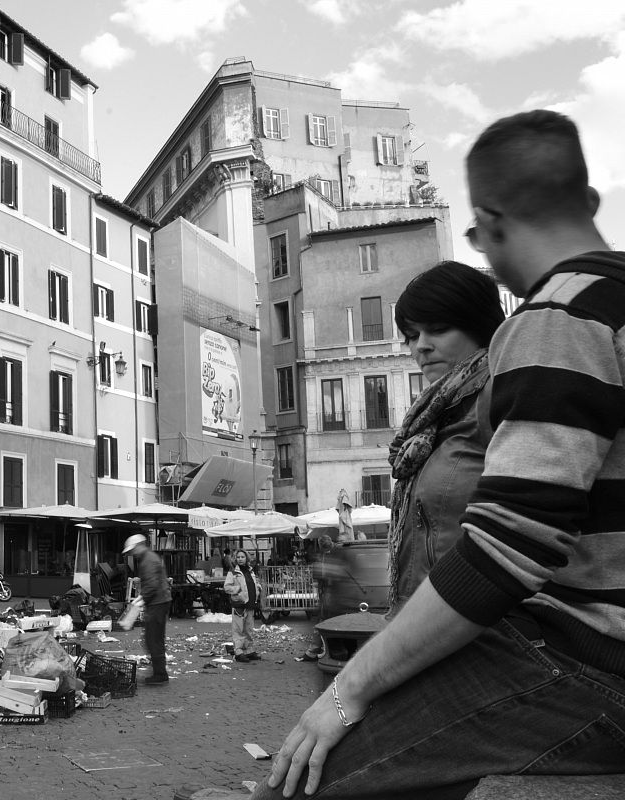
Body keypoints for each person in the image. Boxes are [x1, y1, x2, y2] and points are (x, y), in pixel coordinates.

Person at [258, 109, 625, 799]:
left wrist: (344, 694)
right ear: (589, 201)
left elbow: (505, 550)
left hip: (586, 661)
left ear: (488, 219)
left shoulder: (556, 317)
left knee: (301, 782)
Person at [387, 261, 505, 614]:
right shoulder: (431, 419)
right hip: (421, 622)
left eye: (437, 329)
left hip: (476, 628)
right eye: (411, 335)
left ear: (480, 327)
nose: (421, 346)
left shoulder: (500, 398)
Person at [122, 533, 171, 685]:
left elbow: (151, 584)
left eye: (132, 550)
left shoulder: (147, 560)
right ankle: (160, 672)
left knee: (152, 638)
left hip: (157, 602)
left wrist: (141, 600)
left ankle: (160, 674)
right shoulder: (149, 557)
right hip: (160, 601)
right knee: (155, 638)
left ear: (139, 546)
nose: (131, 553)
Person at [223, 549, 262, 662]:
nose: (240, 559)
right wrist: (238, 589)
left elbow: (253, 582)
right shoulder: (232, 572)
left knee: (249, 629)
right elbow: (227, 587)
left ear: (246, 558)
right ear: (235, 559)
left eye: (242, 557)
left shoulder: (250, 570)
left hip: (250, 603)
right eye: (238, 557)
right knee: (238, 629)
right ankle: (238, 651)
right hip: (239, 604)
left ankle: (249, 649)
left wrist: (258, 587)